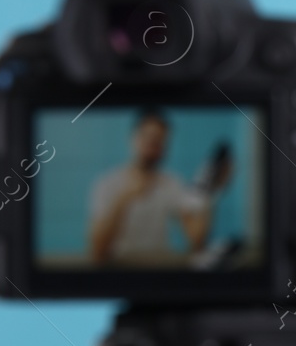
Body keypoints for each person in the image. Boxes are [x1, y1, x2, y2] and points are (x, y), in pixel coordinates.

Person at [87, 109, 215, 265]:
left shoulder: (172, 183)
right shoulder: (107, 183)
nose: (152, 146)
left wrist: (210, 193)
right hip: (119, 270)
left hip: (158, 269)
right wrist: (123, 200)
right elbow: (97, 251)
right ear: (133, 139)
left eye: (159, 141)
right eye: (147, 138)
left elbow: (196, 240)